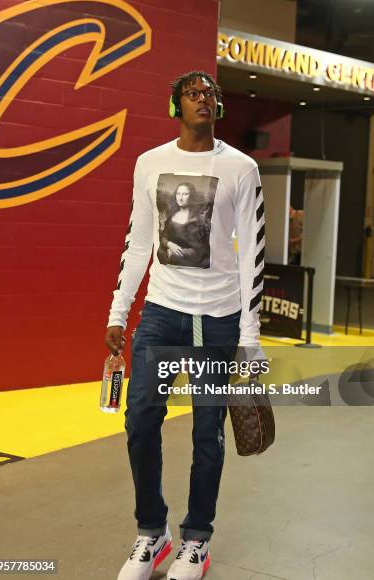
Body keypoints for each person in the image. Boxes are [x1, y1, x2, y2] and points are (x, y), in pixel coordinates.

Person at [105, 70, 265, 580]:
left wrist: (250, 337)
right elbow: (137, 243)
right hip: (160, 313)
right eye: (194, 93)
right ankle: (152, 533)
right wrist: (118, 310)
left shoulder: (241, 169)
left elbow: (252, 256)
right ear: (175, 104)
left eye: (211, 94)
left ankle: (197, 539)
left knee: (207, 435)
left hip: (217, 319)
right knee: (140, 421)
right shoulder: (150, 164)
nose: (205, 99)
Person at [157, 181, 210, 267]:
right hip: (172, 257)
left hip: (192, 261)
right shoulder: (171, 215)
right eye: (178, 194)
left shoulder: (198, 219)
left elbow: (202, 248)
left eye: (185, 194)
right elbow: (163, 237)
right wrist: (170, 245)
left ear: (192, 196)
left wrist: (177, 252)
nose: (180, 198)